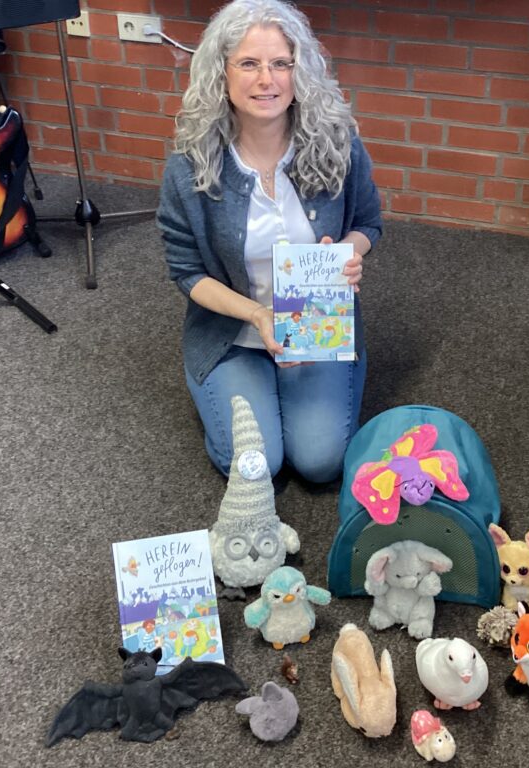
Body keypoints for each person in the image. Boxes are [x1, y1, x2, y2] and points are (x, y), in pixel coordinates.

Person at [157, 0, 382, 484]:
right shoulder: (191, 163)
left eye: (281, 63)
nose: (267, 79)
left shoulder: (338, 143)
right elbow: (186, 270)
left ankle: (285, 395)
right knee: (257, 467)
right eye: (249, 63)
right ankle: (234, 383)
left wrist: (349, 254)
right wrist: (259, 315)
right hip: (234, 333)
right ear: (222, 72)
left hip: (316, 327)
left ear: (301, 71)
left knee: (320, 463)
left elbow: (368, 223)